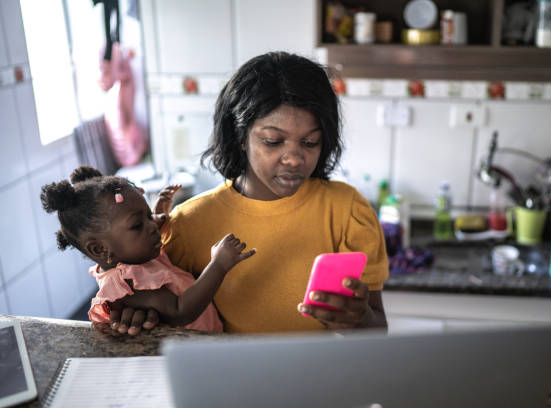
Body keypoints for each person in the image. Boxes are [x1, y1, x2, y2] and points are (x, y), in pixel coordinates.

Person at [113, 51, 389, 334]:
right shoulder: (187, 225)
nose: (294, 159)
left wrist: (360, 320)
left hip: (319, 375)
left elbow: (378, 328)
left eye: (309, 142)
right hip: (226, 375)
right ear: (239, 137)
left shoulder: (347, 211)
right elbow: (164, 318)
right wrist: (140, 312)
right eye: (273, 141)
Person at [40, 166, 255, 335]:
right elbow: (181, 311)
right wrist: (218, 265)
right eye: (137, 224)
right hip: (195, 355)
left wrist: (158, 212)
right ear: (99, 249)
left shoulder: (134, 256)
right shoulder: (127, 283)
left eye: (148, 215)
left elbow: (144, 235)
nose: (152, 226)